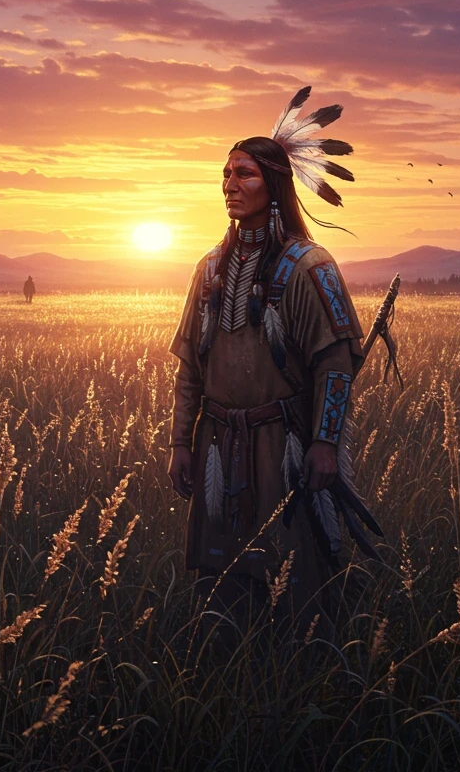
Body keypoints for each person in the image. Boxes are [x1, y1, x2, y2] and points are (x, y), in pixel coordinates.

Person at [166, 87, 381, 638]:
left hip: (281, 447)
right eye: (225, 174)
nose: (230, 185)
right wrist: (180, 443)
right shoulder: (210, 269)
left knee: (293, 577)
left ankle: (298, 674)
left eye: (245, 175)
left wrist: (325, 442)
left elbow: (334, 363)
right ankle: (224, 674)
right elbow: (190, 365)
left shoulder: (311, 266)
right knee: (221, 584)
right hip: (217, 444)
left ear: (275, 185)